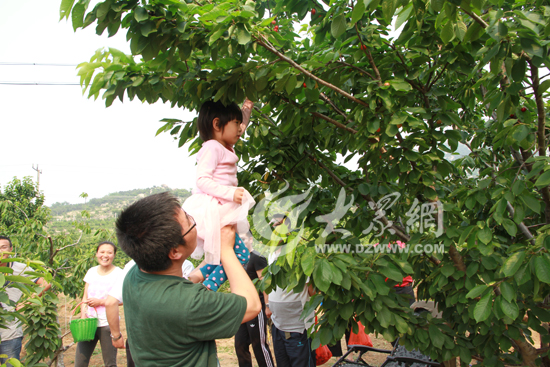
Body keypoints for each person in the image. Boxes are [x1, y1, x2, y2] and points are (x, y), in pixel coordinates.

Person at [115, 192, 261, 366]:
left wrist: (197, 275)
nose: (195, 221)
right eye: (190, 220)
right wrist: (227, 251)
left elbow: (179, 286)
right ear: (175, 251)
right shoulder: (190, 303)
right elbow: (251, 305)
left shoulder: (135, 275)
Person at [184, 99, 255, 291]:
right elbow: (202, 180)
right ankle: (207, 288)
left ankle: (195, 279)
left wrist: (247, 107)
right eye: (235, 124)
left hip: (222, 208)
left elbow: (242, 125)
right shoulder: (212, 147)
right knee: (240, 255)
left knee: (224, 252)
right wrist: (231, 193)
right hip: (215, 208)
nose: (240, 129)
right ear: (217, 124)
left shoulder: (223, 146)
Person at [105, 258, 195, 367]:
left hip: (138, 340)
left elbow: (110, 302)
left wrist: (116, 336)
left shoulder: (134, 265)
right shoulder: (184, 264)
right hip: (173, 341)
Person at [267, 218, 317, 367]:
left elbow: (312, 291)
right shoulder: (271, 254)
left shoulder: (300, 253)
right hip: (278, 326)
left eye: (278, 226)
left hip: (298, 329)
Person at [0, 236, 51, 365]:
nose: (0, 251)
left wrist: (28, 301)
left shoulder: (19, 268)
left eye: (3, 247)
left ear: (11, 250)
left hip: (10, 332)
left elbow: (45, 283)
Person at [74, 241, 122, 367]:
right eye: (102, 252)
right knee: (80, 363)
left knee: (110, 363)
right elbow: (85, 296)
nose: (105, 255)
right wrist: (83, 315)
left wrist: (100, 302)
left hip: (107, 323)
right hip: (88, 323)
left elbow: (122, 300)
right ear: (96, 254)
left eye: (109, 252)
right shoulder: (91, 271)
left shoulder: (119, 274)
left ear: (114, 255)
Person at [234, 231, 275, 367]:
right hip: (241, 308)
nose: (242, 242)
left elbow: (265, 283)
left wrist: (267, 305)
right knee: (240, 345)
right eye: (239, 239)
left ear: (251, 240)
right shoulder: (238, 259)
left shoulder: (257, 257)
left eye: (244, 239)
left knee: (259, 345)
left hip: (256, 307)